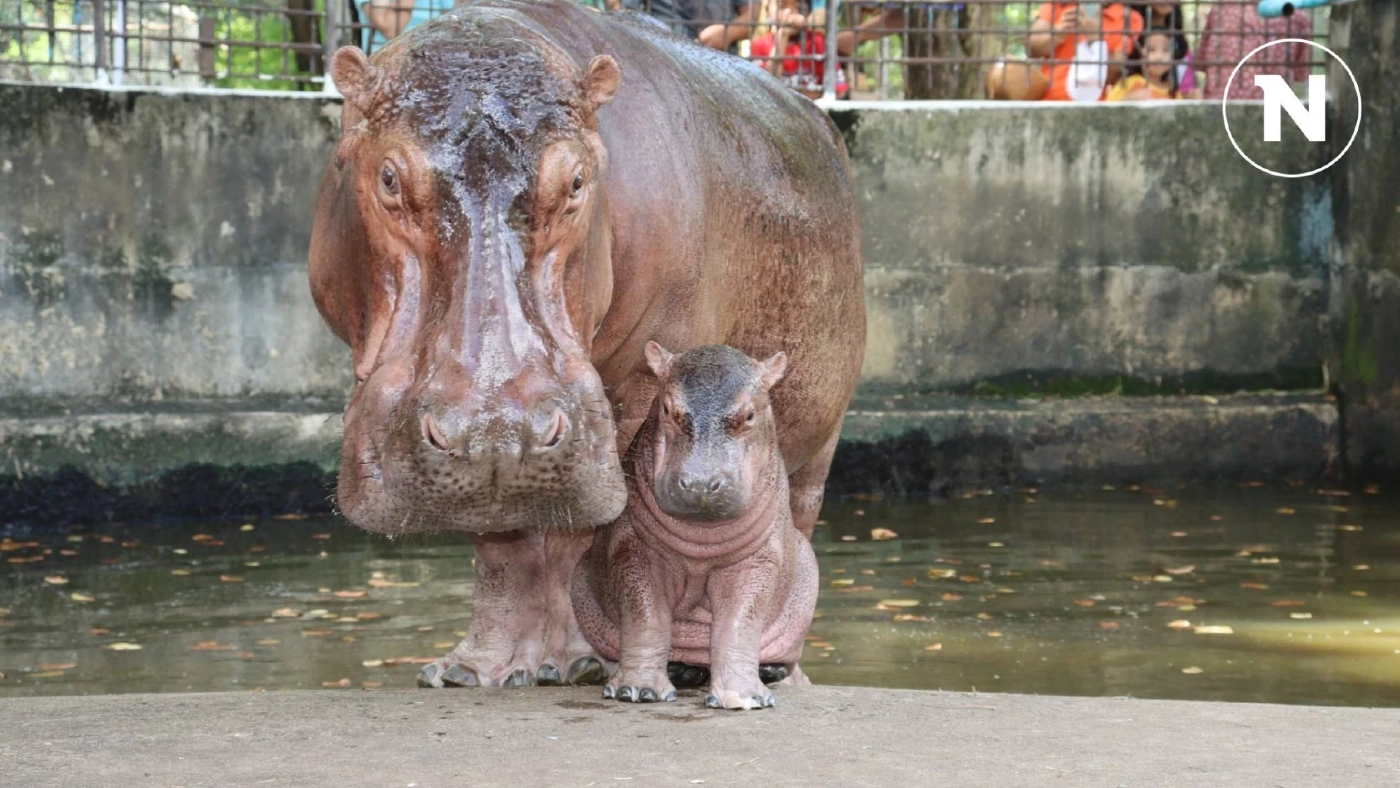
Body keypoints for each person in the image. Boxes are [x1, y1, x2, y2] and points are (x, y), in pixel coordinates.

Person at [1028, 1, 1143, 101]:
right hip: (1049, 100)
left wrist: (1096, 40)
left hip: (1096, 106)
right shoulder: (1057, 4)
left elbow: (1114, 73)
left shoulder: (1130, 18)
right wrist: (1058, 33)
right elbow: (1031, 50)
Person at [1197, 0, 1312, 100]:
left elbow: (1202, 60)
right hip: (1271, 105)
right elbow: (1300, 73)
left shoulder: (1222, 8)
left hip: (1222, 101)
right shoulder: (1296, 15)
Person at [1104, 30, 1181, 100]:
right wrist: (1128, 99)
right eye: (1151, 50)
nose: (1159, 56)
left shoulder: (1174, 93)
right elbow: (1107, 110)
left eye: (1166, 50)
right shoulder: (1129, 83)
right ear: (1139, 56)